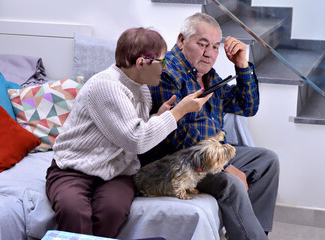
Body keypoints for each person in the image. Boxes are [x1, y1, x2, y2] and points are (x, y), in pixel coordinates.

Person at [45, 27, 211, 238]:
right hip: (74, 168)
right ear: (141, 63)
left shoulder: (140, 88)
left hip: (117, 171)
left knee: (111, 211)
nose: (165, 66)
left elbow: (131, 128)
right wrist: (178, 113)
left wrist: (157, 117)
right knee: (73, 211)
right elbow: (136, 141)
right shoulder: (106, 86)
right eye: (162, 61)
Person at [139, 13, 280, 240]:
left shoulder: (210, 78)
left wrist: (242, 65)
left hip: (212, 155)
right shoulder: (166, 73)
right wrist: (224, 166)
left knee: (267, 160)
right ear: (182, 40)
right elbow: (178, 135)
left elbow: (248, 107)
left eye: (215, 47)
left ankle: (253, 234)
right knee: (231, 182)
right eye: (202, 44)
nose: (209, 54)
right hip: (179, 161)